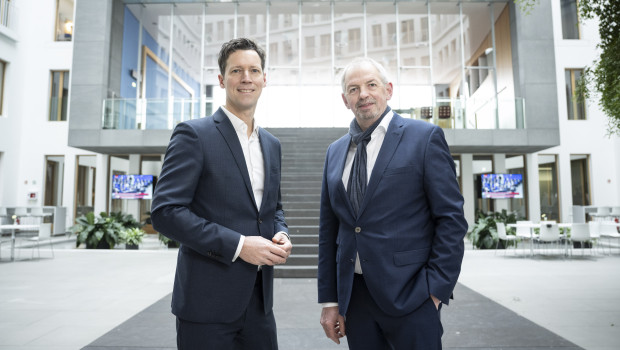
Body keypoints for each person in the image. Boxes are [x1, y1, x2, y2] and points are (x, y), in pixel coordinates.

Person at [151, 37, 292, 350]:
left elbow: (273, 208)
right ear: (221, 79)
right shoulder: (194, 134)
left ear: (264, 79)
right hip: (206, 305)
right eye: (236, 70)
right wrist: (239, 245)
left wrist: (280, 232)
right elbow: (165, 212)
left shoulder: (272, 144)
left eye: (254, 70)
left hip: (259, 304)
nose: (246, 78)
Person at [318, 57, 467, 349]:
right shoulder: (334, 152)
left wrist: (434, 291)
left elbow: (451, 219)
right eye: (354, 88)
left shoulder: (424, 138)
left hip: (413, 296)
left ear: (388, 89)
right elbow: (329, 232)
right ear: (345, 100)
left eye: (371, 85)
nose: (363, 94)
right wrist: (330, 300)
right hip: (356, 300)